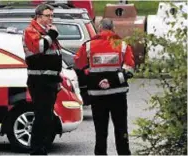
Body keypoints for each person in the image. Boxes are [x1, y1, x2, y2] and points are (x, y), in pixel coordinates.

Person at [74, 18, 135, 155]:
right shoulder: (122, 45)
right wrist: (112, 81)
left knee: (100, 131)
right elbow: (129, 69)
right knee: (121, 129)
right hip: (118, 95)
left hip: (97, 96)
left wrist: (94, 79)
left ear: (100, 29)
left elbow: (79, 64)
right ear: (113, 29)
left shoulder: (89, 46)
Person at [22, 3, 62, 155]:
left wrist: (57, 78)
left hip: (50, 80)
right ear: (38, 17)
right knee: (42, 115)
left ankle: (42, 147)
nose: (51, 18)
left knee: (47, 116)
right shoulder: (31, 30)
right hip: (39, 80)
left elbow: (55, 56)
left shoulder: (46, 31)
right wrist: (51, 35)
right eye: (48, 16)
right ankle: (37, 149)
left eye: (52, 15)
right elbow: (39, 48)